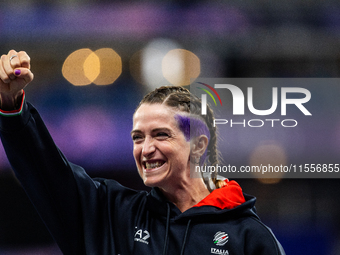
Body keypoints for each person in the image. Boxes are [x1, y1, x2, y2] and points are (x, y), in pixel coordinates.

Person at [0, 50, 285, 255]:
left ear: (199, 145)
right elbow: (47, 172)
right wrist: (11, 106)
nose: (146, 149)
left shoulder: (249, 238)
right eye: (138, 137)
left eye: (161, 135)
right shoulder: (112, 215)